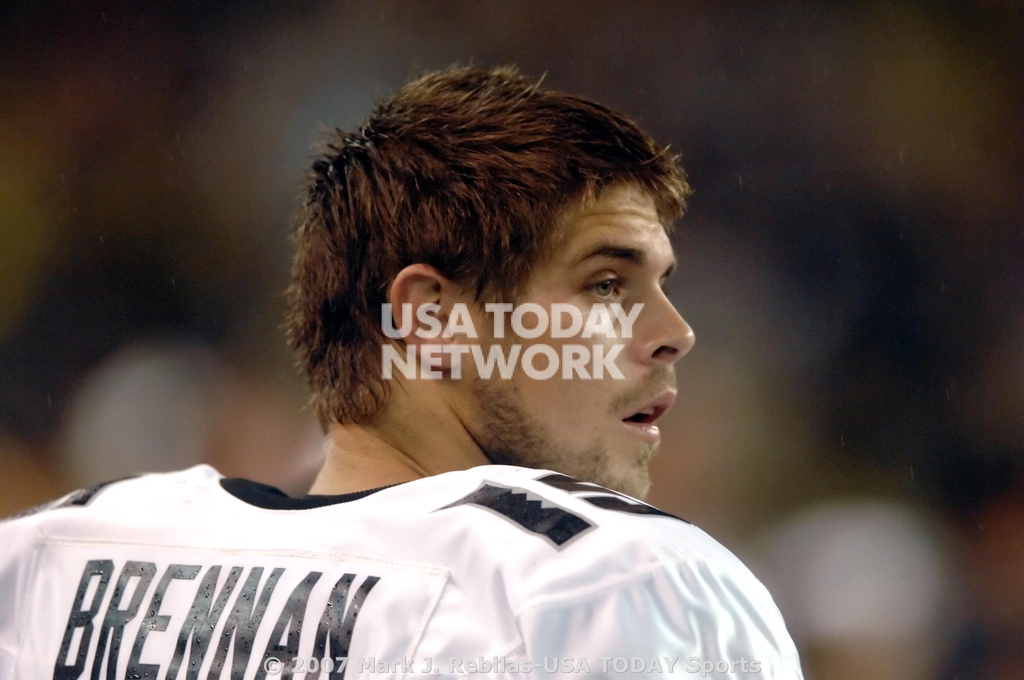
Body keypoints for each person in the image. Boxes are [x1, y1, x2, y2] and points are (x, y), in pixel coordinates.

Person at [0, 65, 804, 679]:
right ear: (431, 316)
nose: (675, 334)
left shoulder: (47, 566)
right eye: (605, 284)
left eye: (661, 286)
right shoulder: (608, 582)